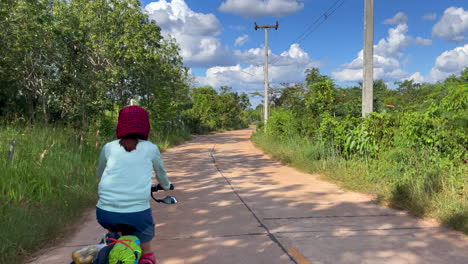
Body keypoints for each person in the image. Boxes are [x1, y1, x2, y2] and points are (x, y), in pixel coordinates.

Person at [95, 105, 172, 264]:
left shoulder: (108, 147)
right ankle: (146, 259)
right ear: (145, 125)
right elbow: (161, 174)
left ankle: (112, 242)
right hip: (138, 214)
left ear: (120, 124)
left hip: (104, 213)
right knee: (146, 253)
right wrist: (166, 186)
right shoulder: (151, 148)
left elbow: (100, 174)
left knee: (114, 231)